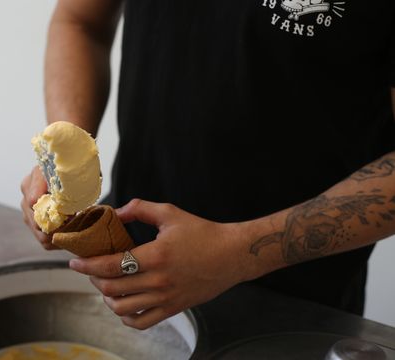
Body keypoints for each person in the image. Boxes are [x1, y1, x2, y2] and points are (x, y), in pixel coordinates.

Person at [21, 0, 395, 330]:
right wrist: (66, 157)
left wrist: (239, 253)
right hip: (125, 270)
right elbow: (80, 20)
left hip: (296, 308)